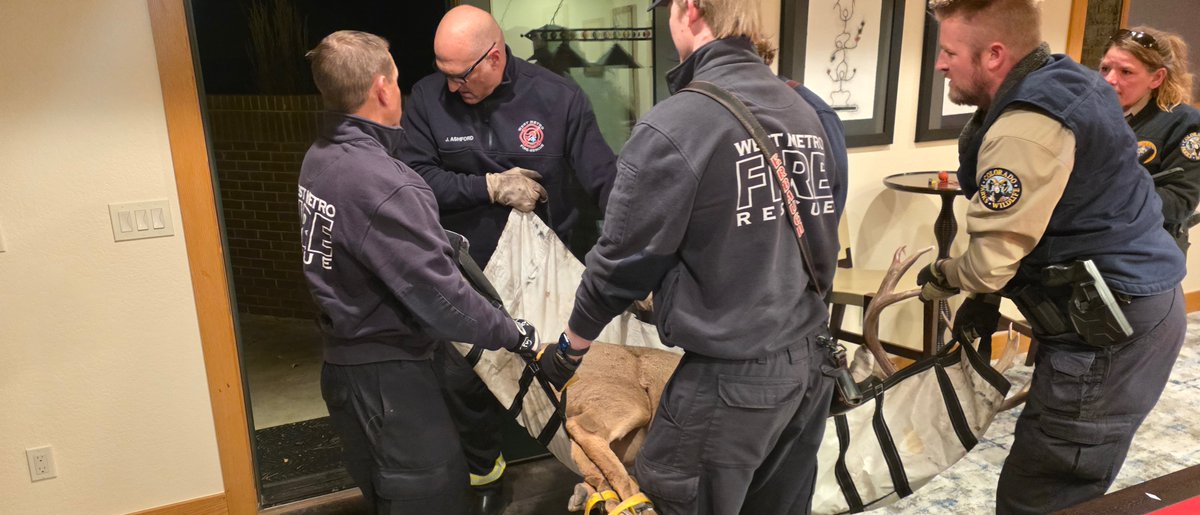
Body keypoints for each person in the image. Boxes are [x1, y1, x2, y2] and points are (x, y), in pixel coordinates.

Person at [563, 0, 847, 512]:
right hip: (808, 367)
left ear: (688, 10)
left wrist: (573, 344)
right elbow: (829, 221)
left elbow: (622, 260)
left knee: (675, 499)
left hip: (730, 382)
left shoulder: (678, 123)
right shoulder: (807, 111)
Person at [917, 1, 1187, 513]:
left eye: (950, 51)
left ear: (995, 54)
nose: (940, 63)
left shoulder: (1027, 128)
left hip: (1110, 325)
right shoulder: (1067, 78)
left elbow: (990, 262)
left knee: (1045, 491)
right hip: (1119, 307)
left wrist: (944, 274)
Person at [298, 30, 573, 514]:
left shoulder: (322, 159)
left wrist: (438, 239)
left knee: (389, 496)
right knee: (433, 500)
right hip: (390, 381)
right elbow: (442, 300)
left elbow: (364, 242)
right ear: (383, 88)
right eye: (398, 81)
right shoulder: (384, 182)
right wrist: (517, 334)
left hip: (345, 371)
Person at [397, 7, 616, 513]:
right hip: (469, 275)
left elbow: (603, 179)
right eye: (443, 73)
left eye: (460, 75)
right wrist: (488, 187)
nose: (450, 86)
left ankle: (588, 473)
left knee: (568, 378)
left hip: (548, 275)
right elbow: (413, 177)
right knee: (464, 380)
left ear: (493, 56)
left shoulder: (557, 98)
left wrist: (636, 252)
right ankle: (485, 476)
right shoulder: (429, 99)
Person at [1100, 26, 1200, 254]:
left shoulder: (1185, 123)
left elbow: (1180, 202)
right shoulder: (1091, 112)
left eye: (1126, 72)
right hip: (1093, 246)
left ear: (1156, 77)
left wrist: (1110, 193)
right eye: (1105, 68)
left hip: (1147, 254)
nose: (1109, 80)